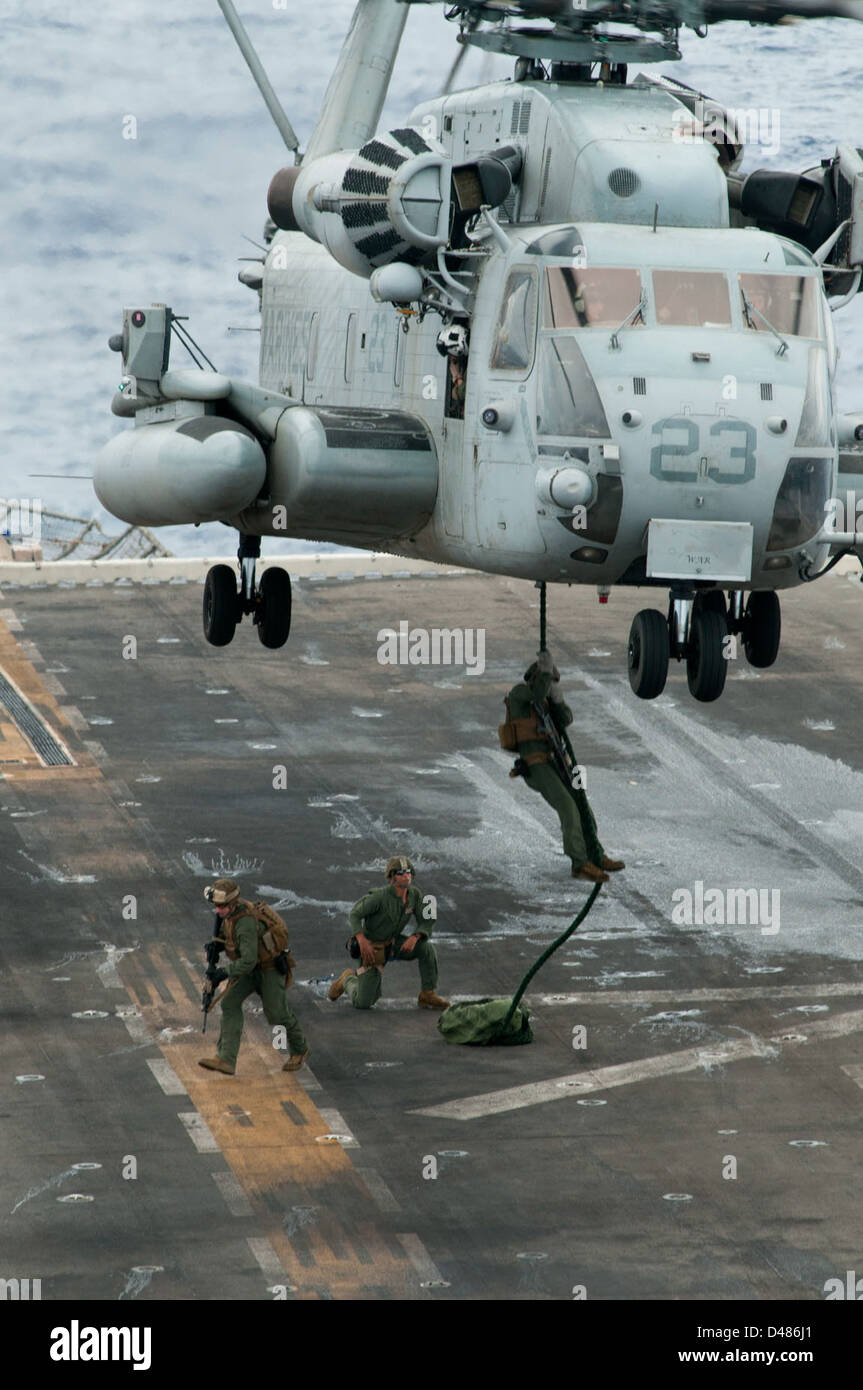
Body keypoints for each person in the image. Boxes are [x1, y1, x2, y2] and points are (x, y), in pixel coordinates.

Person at [502, 649, 625, 883]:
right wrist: (545, 675)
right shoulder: (521, 694)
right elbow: (536, 695)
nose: (549, 686)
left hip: (556, 761)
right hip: (536, 765)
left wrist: (557, 699)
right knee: (567, 806)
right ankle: (579, 863)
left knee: (582, 807)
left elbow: (566, 719)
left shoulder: (545, 702)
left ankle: (595, 854)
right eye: (548, 680)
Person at [198, 878, 310, 1076]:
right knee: (229, 1003)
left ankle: (300, 1050)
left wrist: (223, 973)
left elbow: (248, 960)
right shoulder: (230, 916)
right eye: (216, 906)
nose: (218, 910)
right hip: (248, 969)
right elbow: (228, 938)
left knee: (276, 1014)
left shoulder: (245, 922)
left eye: (222, 906)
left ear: (232, 904)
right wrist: (216, 946)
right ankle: (226, 1059)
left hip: (268, 968)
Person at [328, 856, 449, 1011]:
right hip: (372, 949)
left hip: (393, 944)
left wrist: (416, 936)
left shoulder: (414, 895)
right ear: (391, 878)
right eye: (400, 873)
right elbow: (355, 914)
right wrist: (361, 939)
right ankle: (347, 979)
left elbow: (427, 920)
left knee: (426, 948)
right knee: (364, 1002)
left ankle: (427, 994)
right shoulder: (379, 897)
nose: (406, 875)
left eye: (408, 872)